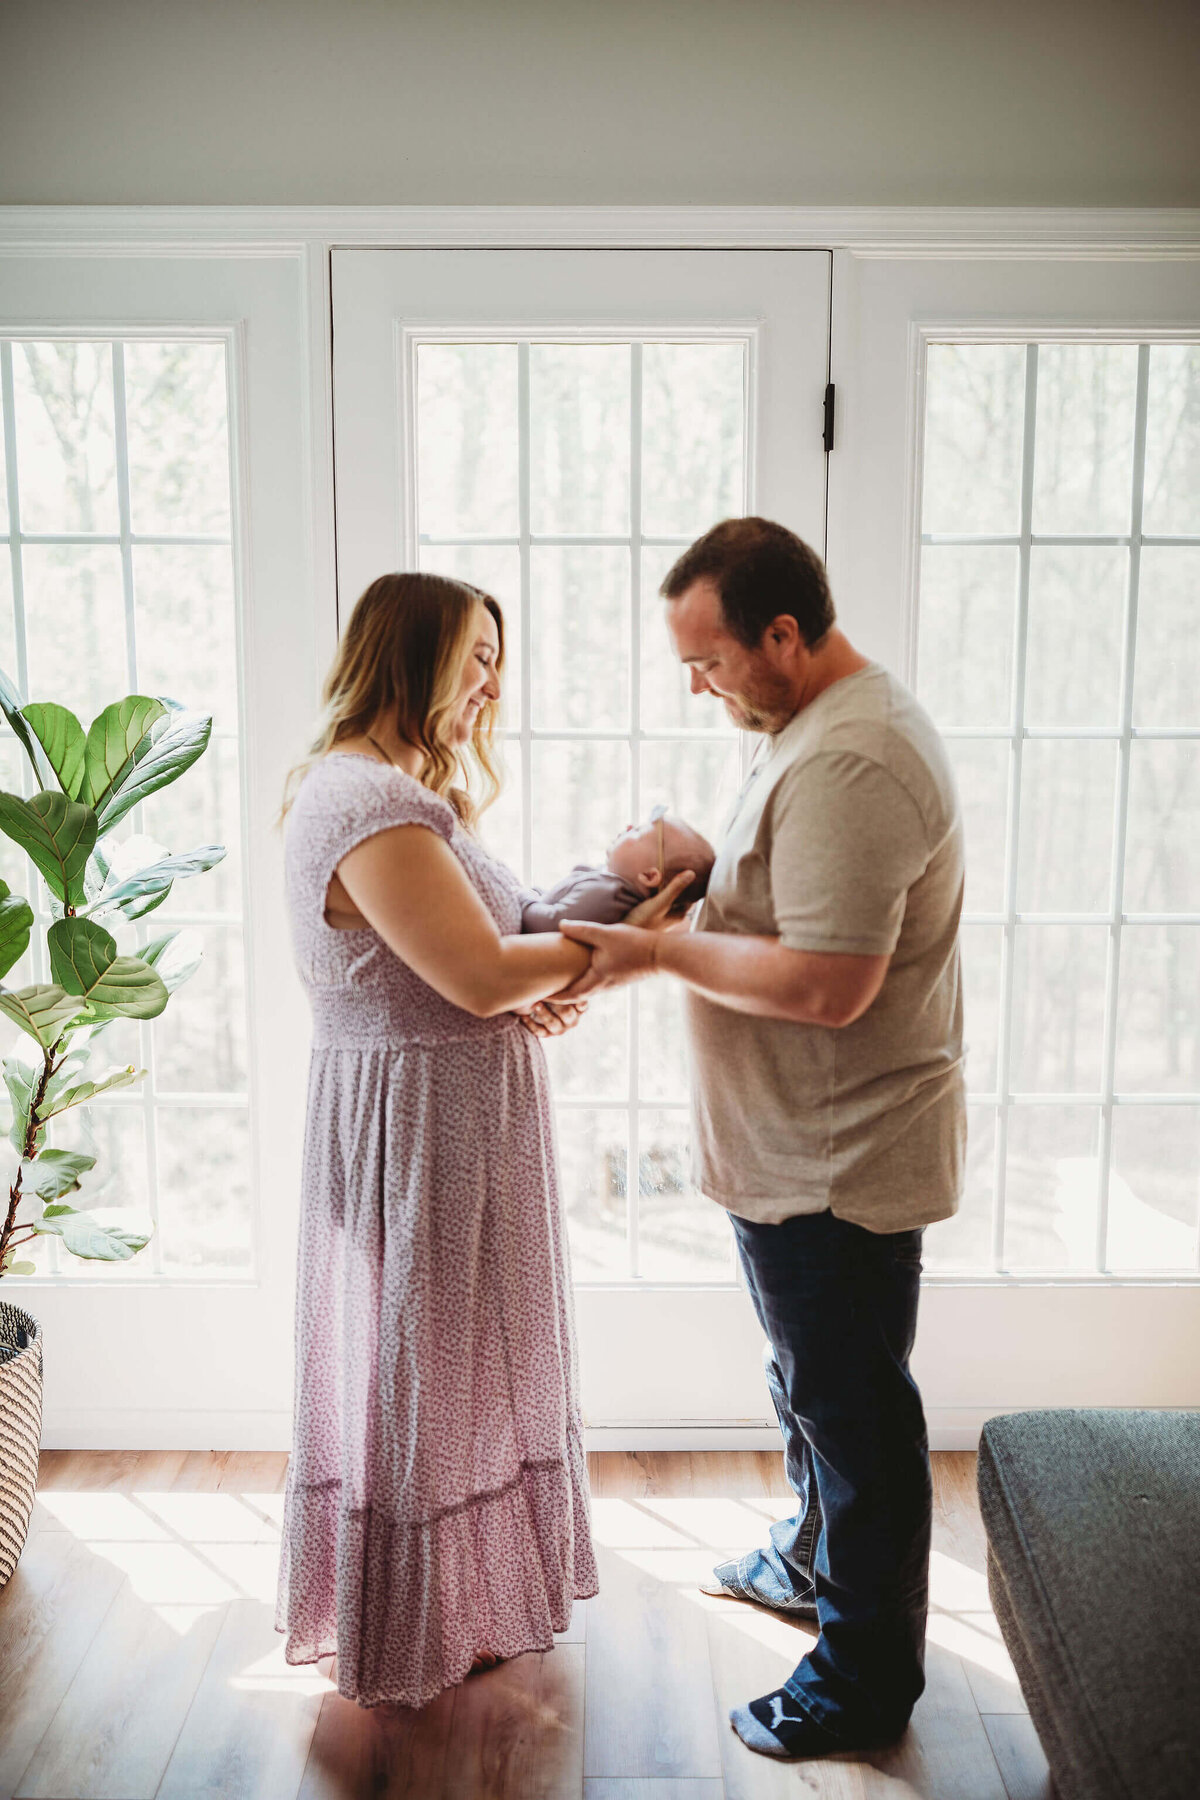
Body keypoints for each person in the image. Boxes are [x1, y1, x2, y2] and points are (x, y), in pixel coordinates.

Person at [557, 517, 966, 1761]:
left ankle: (860, 1680)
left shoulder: (854, 758)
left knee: (854, 1420)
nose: (699, 683)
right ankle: (806, 1558)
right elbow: (796, 903)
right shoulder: (806, 731)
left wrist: (664, 945)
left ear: (782, 635)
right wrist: (708, 865)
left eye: (711, 659)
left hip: (835, 1160)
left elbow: (831, 983)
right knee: (808, 1387)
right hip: (790, 1149)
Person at [275, 571, 696, 1709]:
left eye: (497, 659)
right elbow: (475, 971)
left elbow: (498, 953)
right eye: (474, 657)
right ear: (406, 655)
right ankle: (411, 1626)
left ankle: (464, 1606)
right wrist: (609, 957)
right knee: (423, 1372)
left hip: (462, 1110)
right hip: (420, 1128)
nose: (490, 683)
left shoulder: (412, 798)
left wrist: (543, 974)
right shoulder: (367, 805)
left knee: (463, 1376)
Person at [521, 807, 714, 931]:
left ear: (649, 875)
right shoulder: (609, 891)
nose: (629, 826)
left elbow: (546, 924)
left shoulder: (605, 894)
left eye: (638, 832)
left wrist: (520, 897)